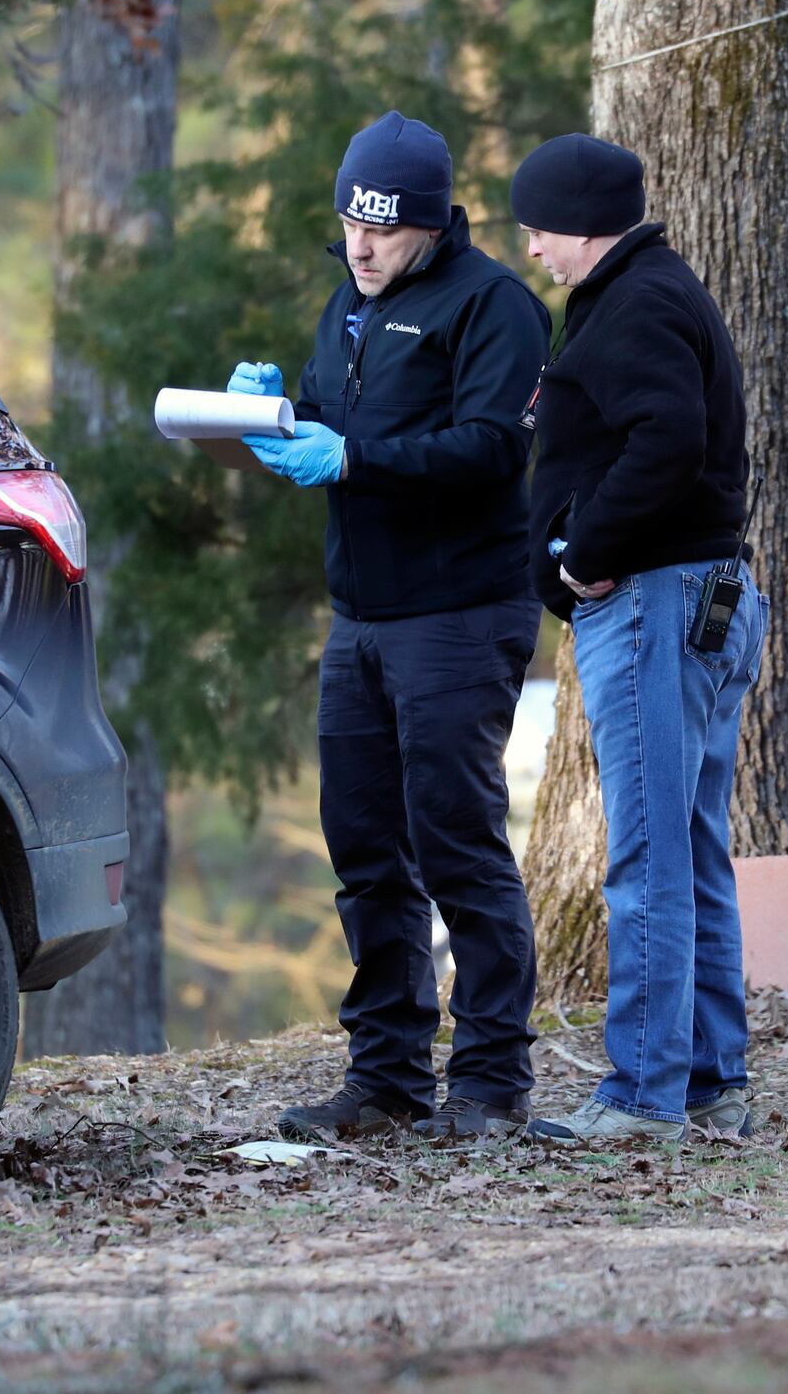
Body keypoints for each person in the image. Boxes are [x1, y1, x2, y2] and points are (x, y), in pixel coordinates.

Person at [232, 110, 554, 1142]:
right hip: (361, 619)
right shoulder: (348, 303)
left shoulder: (493, 306)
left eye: (380, 229)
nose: (361, 248)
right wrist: (275, 418)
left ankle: (492, 1086)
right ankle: (385, 1081)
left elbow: (490, 450)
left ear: (430, 223)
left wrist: (355, 461)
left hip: (459, 614)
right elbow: (338, 417)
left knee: (455, 843)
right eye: (348, 227)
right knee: (365, 848)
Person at [507, 132, 768, 1148]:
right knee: (690, 847)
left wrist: (584, 551)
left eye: (538, 229)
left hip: (658, 603)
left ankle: (643, 1094)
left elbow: (668, 436)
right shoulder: (656, 292)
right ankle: (708, 1080)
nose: (533, 247)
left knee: (651, 853)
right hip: (697, 598)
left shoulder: (636, 303)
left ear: (579, 223)